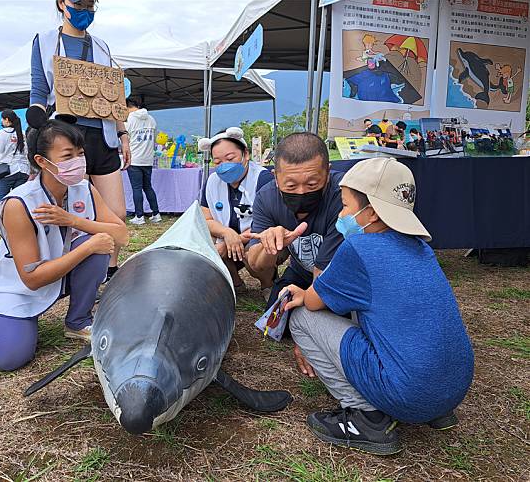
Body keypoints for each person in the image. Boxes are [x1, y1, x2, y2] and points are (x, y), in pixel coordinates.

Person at [282, 157, 474, 455]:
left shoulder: (358, 247)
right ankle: (435, 411)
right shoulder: (420, 247)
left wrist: (302, 293)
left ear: (369, 213)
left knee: (302, 318)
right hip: (453, 390)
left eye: (345, 206)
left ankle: (366, 418)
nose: (341, 215)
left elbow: (312, 301)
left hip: (409, 394)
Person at [0, 118, 129, 371]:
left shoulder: (85, 189)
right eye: (68, 155)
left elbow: (121, 235)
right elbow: (32, 278)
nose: (78, 162)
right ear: (41, 161)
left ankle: (78, 320)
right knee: (10, 358)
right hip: (19, 290)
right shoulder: (19, 203)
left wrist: (73, 221)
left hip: (59, 276)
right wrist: (87, 246)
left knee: (98, 240)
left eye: (80, 154)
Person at [29, 0, 131, 283]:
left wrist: (123, 133)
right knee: (79, 209)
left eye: (90, 4)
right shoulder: (45, 41)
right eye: (79, 3)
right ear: (62, 3)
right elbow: (38, 87)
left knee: (116, 211)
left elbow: (114, 96)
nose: (85, 10)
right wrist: (37, 116)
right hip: (67, 133)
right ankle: (80, 271)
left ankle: (110, 269)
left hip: (104, 134)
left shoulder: (101, 46)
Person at [248, 132, 344, 311]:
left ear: (328, 172)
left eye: (312, 184)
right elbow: (256, 264)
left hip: (337, 276)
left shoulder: (344, 195)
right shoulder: (266, 198)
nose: (301, 192)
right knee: (277, 315)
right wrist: (270, 245)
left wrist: (310, 300)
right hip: (300, 272)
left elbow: (322, 272)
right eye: (291, 185)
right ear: (276, 177)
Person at [198, 127, 276, 295]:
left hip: (257, 237)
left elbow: (267, 223)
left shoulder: (262, 179)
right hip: (227, 239)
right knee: (207, 251)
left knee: (255, 258)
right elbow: (206, 219)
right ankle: (236, 284)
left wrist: (235, 239)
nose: (224, 166)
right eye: (217, 162)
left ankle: (268, 285)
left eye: (230, 158)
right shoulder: (212, 182)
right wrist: (226, 233)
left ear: (245, 155)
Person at [0, 109, 30, 208]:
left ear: (7, 120)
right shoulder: (22, 133)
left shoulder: (3, 132)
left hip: (8, 171)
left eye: (2, 119)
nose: (1, 121)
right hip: (23, 170)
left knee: (2, 198)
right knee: (20, 199)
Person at [125, 98, 161, 225]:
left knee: (136, 188)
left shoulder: (129, 120)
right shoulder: (151, 119)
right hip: (148, 159)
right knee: (148, 187)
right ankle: (156, 214)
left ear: (127, 108)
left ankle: (139, 216)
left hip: (134, 159)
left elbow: (124, 139)